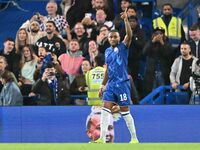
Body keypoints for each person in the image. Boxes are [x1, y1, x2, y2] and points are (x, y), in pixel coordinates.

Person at [94, 9, 138, 143]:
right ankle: (101, 138)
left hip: (123, 84)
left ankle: (134, 138)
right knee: (105, 109)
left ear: (119, 38)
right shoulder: (107, 51)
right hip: (111, 85)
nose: (113, 38)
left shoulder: (124, 46)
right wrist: (103, 85)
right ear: (108, 39)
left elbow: (129, 36)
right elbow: (108, 70)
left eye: (115, 37)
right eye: (111, 37)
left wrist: (125, 20)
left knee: (125, 111)